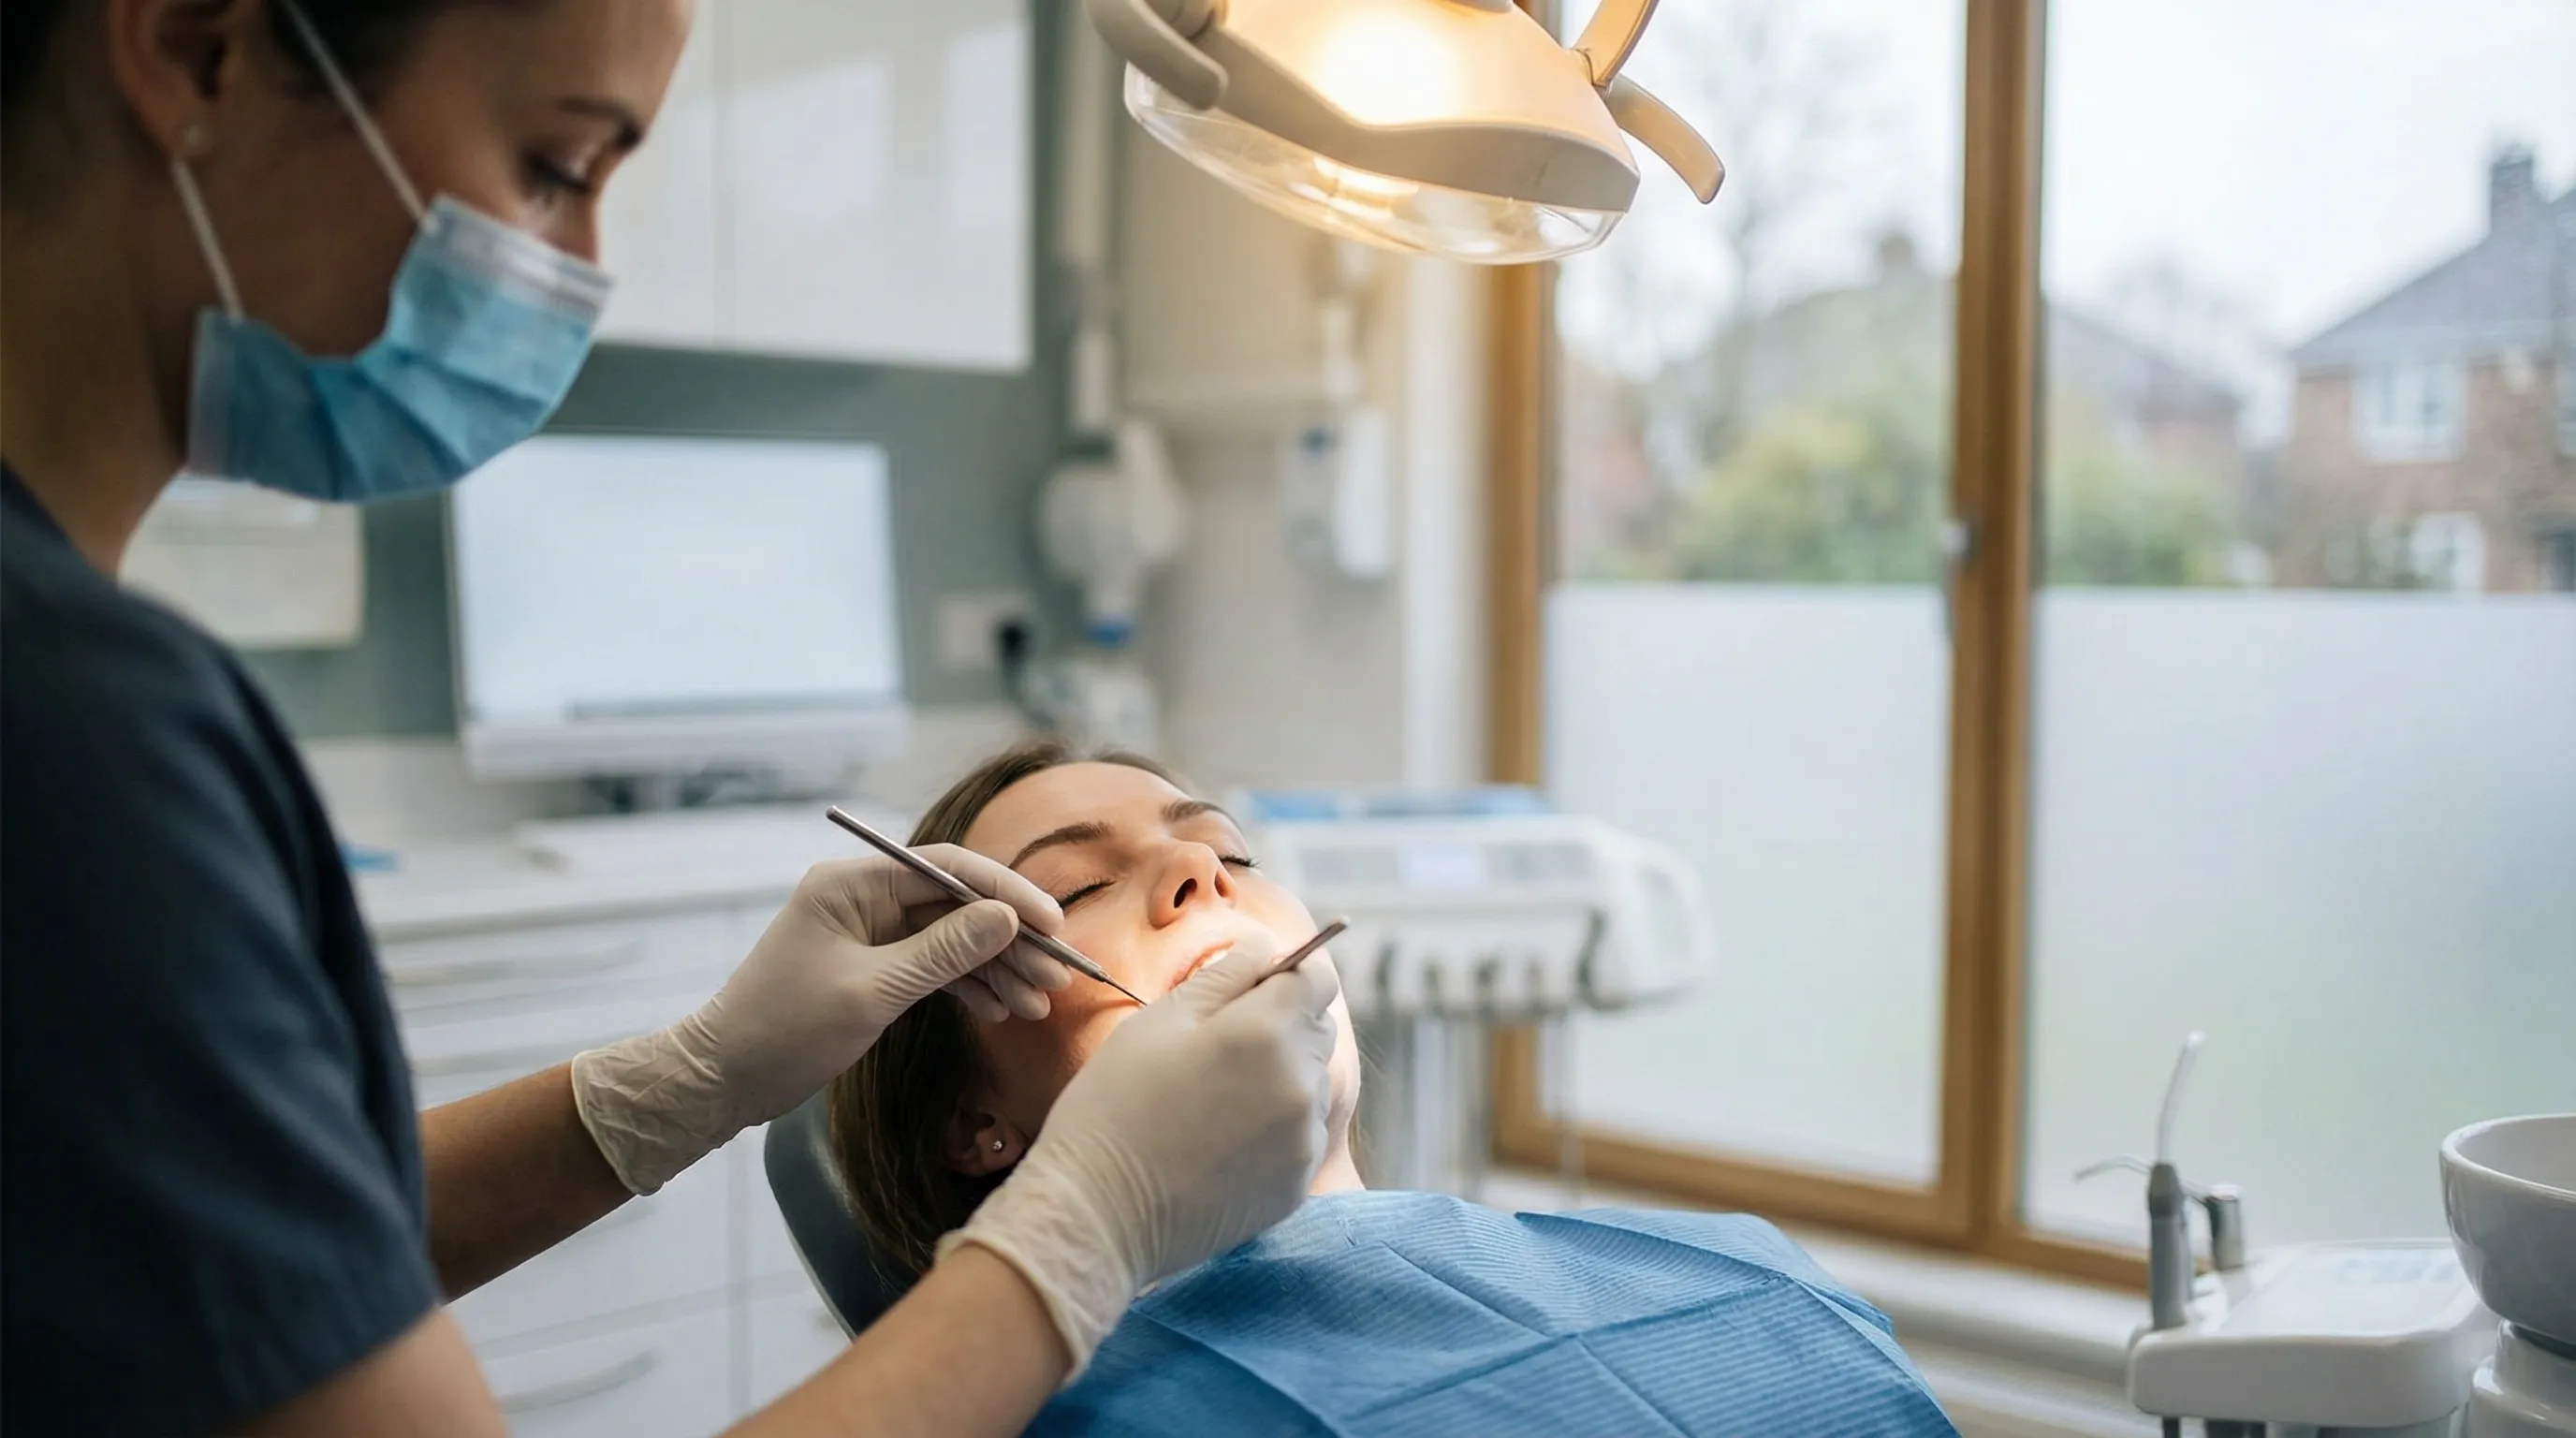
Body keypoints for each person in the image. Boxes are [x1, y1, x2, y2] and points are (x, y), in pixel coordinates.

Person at [0, 3, 1340, 1434]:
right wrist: (1079, 1237)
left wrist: (678, 1086)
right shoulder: (73, 743)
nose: (580, 268)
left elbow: (248, 1254)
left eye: (1221, 847)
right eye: (556, 168)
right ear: (203, 48)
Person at [827, 742, 1961, 1437]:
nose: (1200, 873)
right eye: (1075, 886)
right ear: (974, 1122)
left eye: (1228, 851)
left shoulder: (1748, 1272)